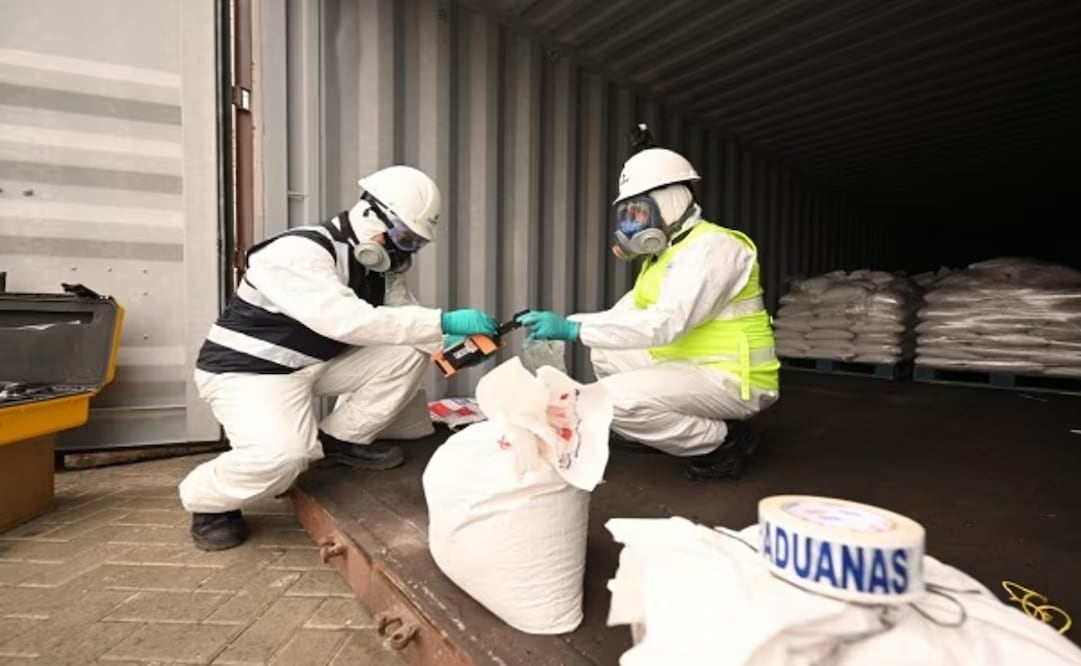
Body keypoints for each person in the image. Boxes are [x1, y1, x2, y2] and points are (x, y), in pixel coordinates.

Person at [179, 165, 498, 551]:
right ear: (370, 214)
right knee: (284, 456)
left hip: (311, 364)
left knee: (410, 348)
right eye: (403, 237)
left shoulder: (379, 266)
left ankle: (338, 441)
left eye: (415, 243)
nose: (405, 251)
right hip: (250, 372)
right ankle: (209, 501)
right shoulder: (296, 252)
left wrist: (452, 348)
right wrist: (442, 320)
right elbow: (345, 321)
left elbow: (405, 319)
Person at [518, 146, 779, 481]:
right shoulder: (666, 257)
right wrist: (565, 324)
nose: (630, 224)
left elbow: (666, 323)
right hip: (692, 366)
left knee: (612, 402)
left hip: (732, 377)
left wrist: (572, 330)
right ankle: (658, 429)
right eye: (626, 215)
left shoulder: (716, 248)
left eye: (638, 213)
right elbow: (621, 317)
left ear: (671, 201)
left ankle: (724, 443)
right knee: (606, 348)